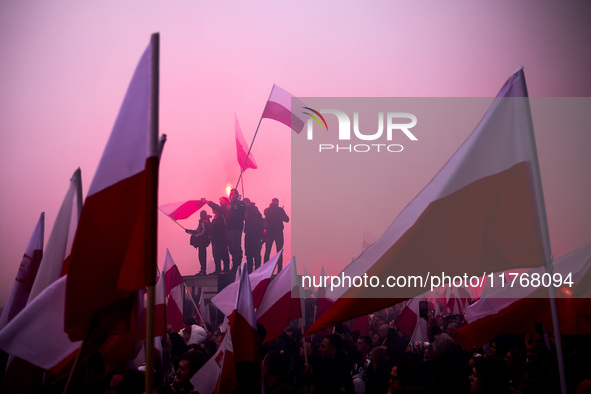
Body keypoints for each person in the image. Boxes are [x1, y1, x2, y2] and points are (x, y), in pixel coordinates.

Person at [206, 190, 245, 271]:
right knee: (231, 247)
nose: (233, 195)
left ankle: (237, 266)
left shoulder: (241, 204)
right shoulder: (229, 205)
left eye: (234, 194)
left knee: (236, 246)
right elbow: (219, 209)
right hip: (229, 228)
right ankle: (234, 264)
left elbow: (241, 216)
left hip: (236, 228)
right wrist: (208, 202)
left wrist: (231, 210)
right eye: (231, 194)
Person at [263, 198, 290, 272]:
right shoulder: (280, 210)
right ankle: (279, 270)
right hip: (278, 233)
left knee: (267, 251)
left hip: (269, 232)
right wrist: (280, 215)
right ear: (277, 203)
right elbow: (287, 219)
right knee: (279, 252)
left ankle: (265, 270)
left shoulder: (267, 210)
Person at [185, 210, 211, 275]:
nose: (201, 215)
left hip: (203, 242)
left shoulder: (204, 222)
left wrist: (195, 236)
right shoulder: (202, 222)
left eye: (202, 214)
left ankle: (203, 270)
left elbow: (203, 232)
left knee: (202, 256)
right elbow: (197, 231)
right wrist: (189, 231)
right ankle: (202, 269)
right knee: (201, 255)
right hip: (201, 242)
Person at [243, 198, 265, 273]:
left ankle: (250, 270)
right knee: (256, 254)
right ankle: (257, 269)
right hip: (256, 235)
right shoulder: (257, 211)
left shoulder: (249, 210)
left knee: (250, 254)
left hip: (251, 234)